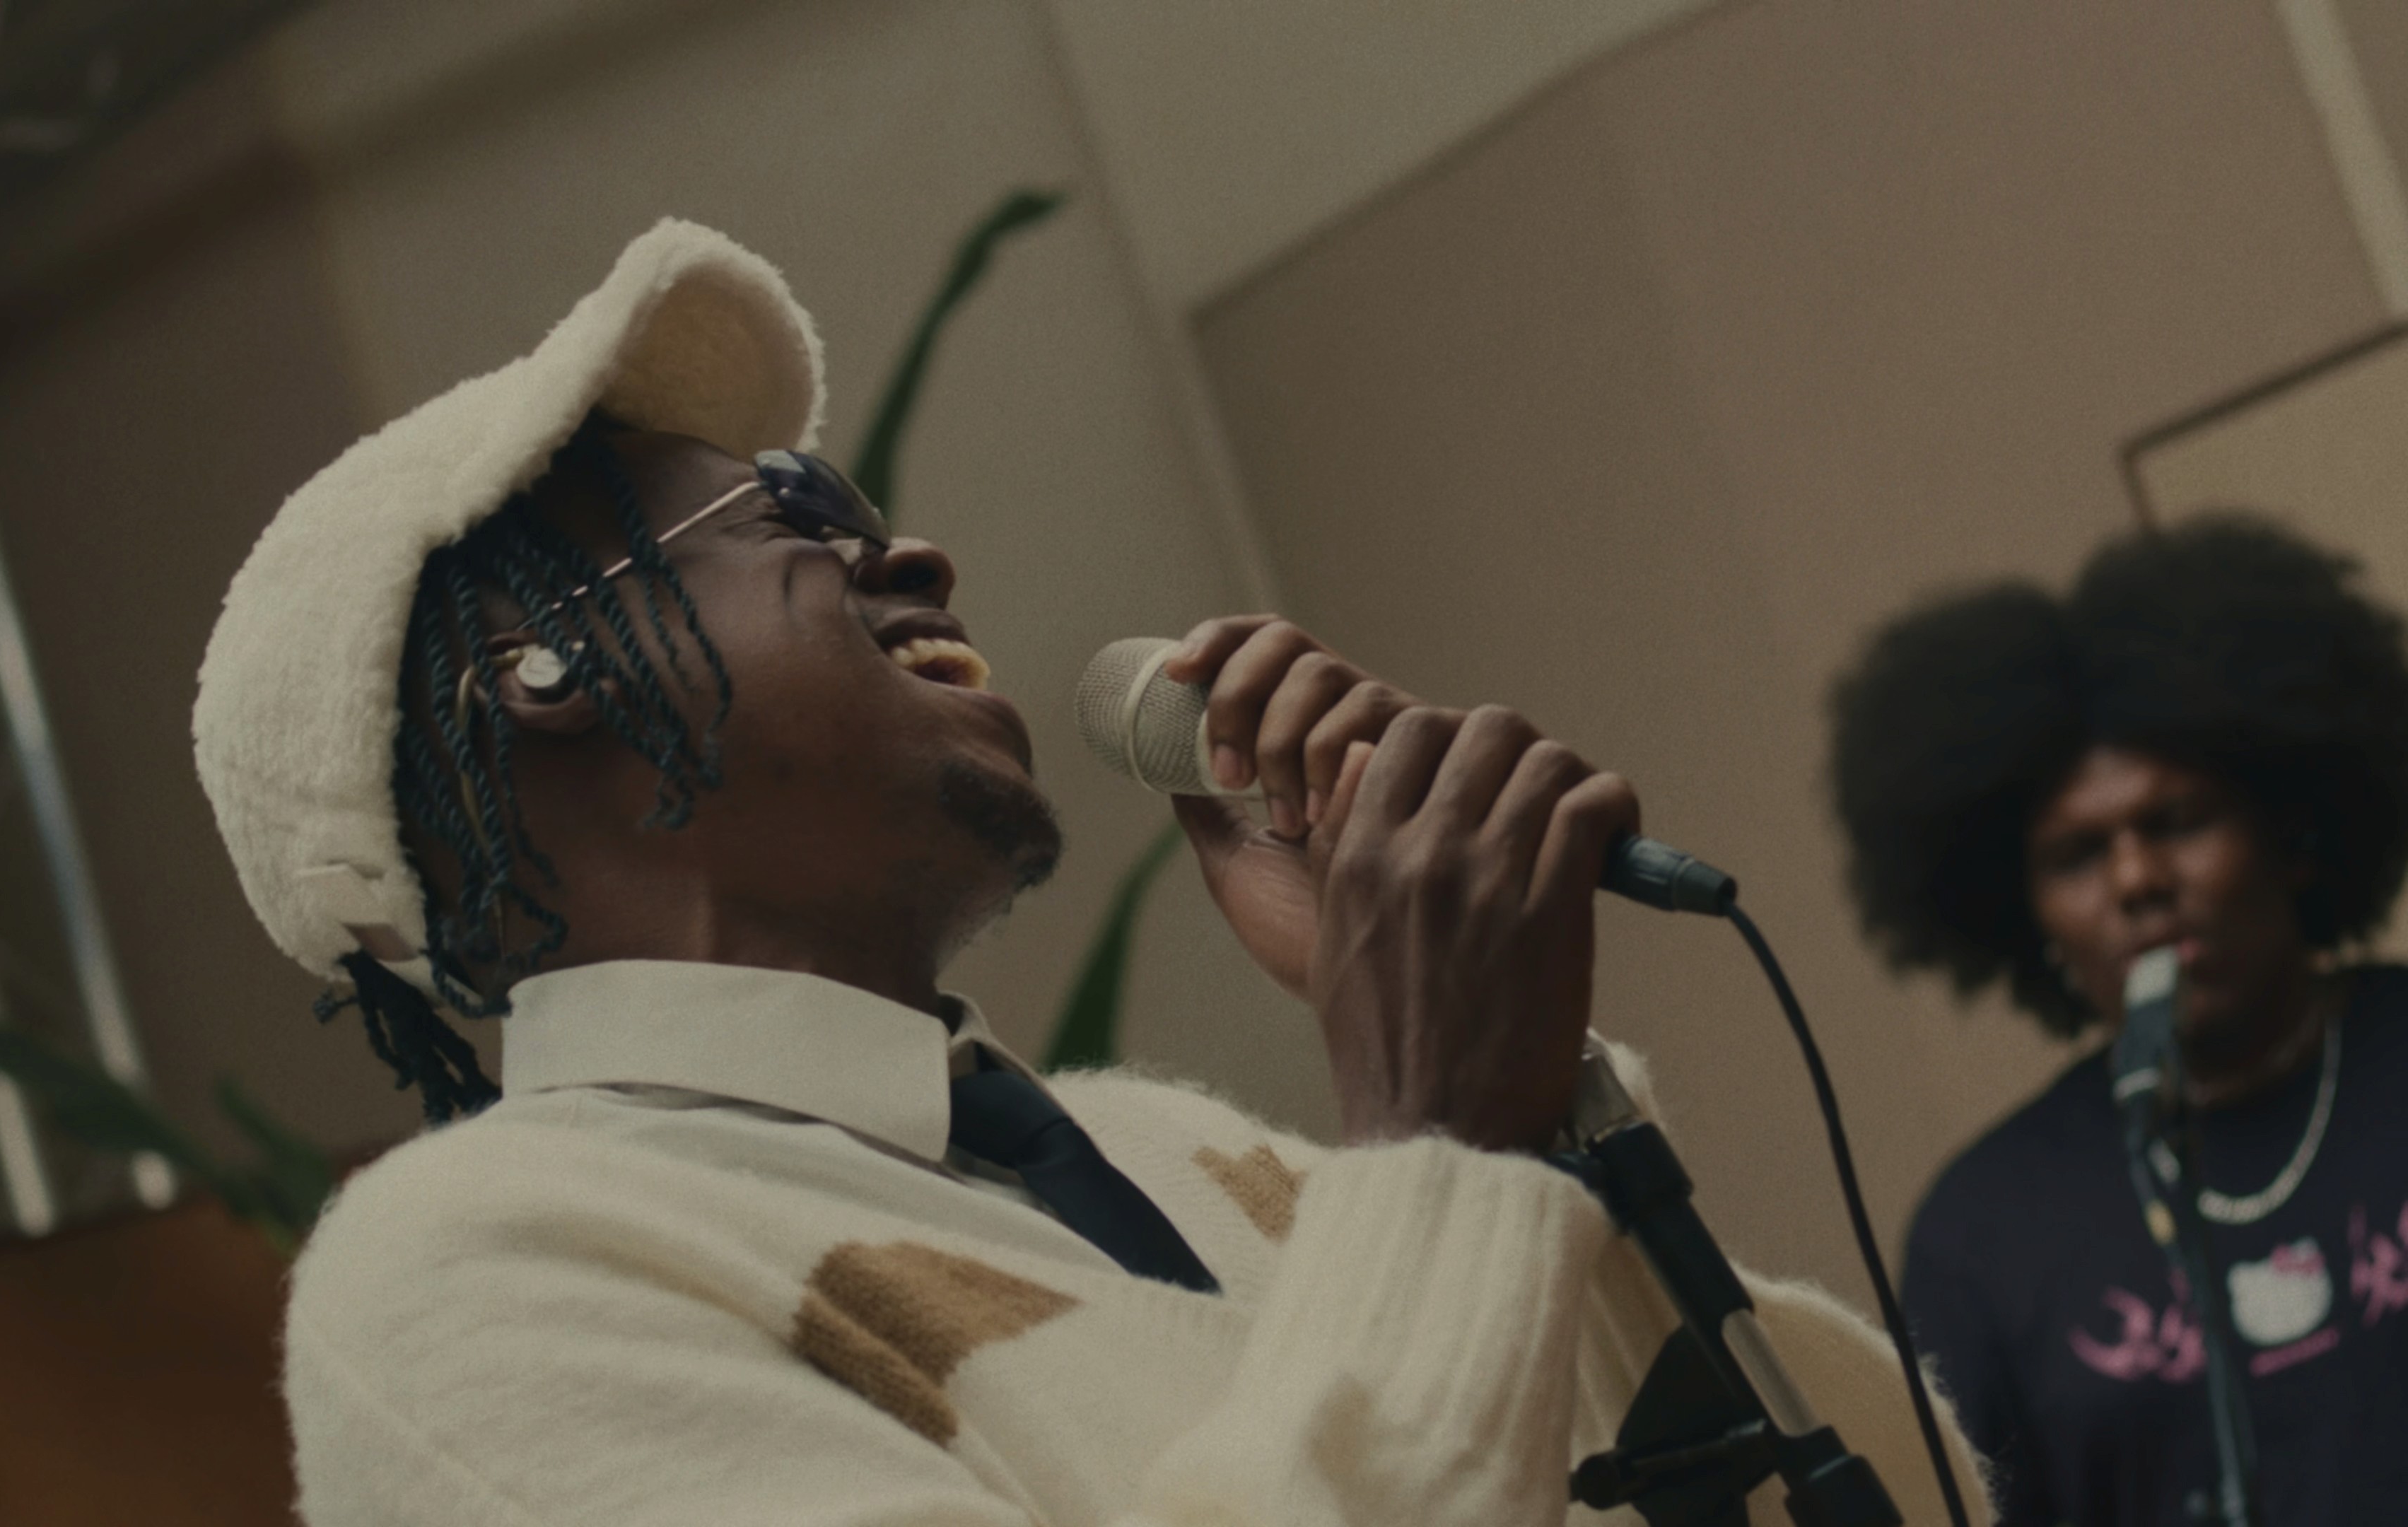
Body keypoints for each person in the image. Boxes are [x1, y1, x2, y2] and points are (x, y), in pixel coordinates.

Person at [195, 218, 1983, 1526]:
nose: (910, 553)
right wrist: (1437, 1138)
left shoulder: (1175, 1152)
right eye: (790, 513)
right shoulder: (474, 1276)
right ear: (538, 673)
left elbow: (1898, 1481)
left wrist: (1536, 1112)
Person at [1829, 516, 2408, 1526]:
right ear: (2030, 919)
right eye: (2079, 856)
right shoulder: (1985, 1231)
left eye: (2176, 821)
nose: (2138, 880)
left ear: (2293, 835)